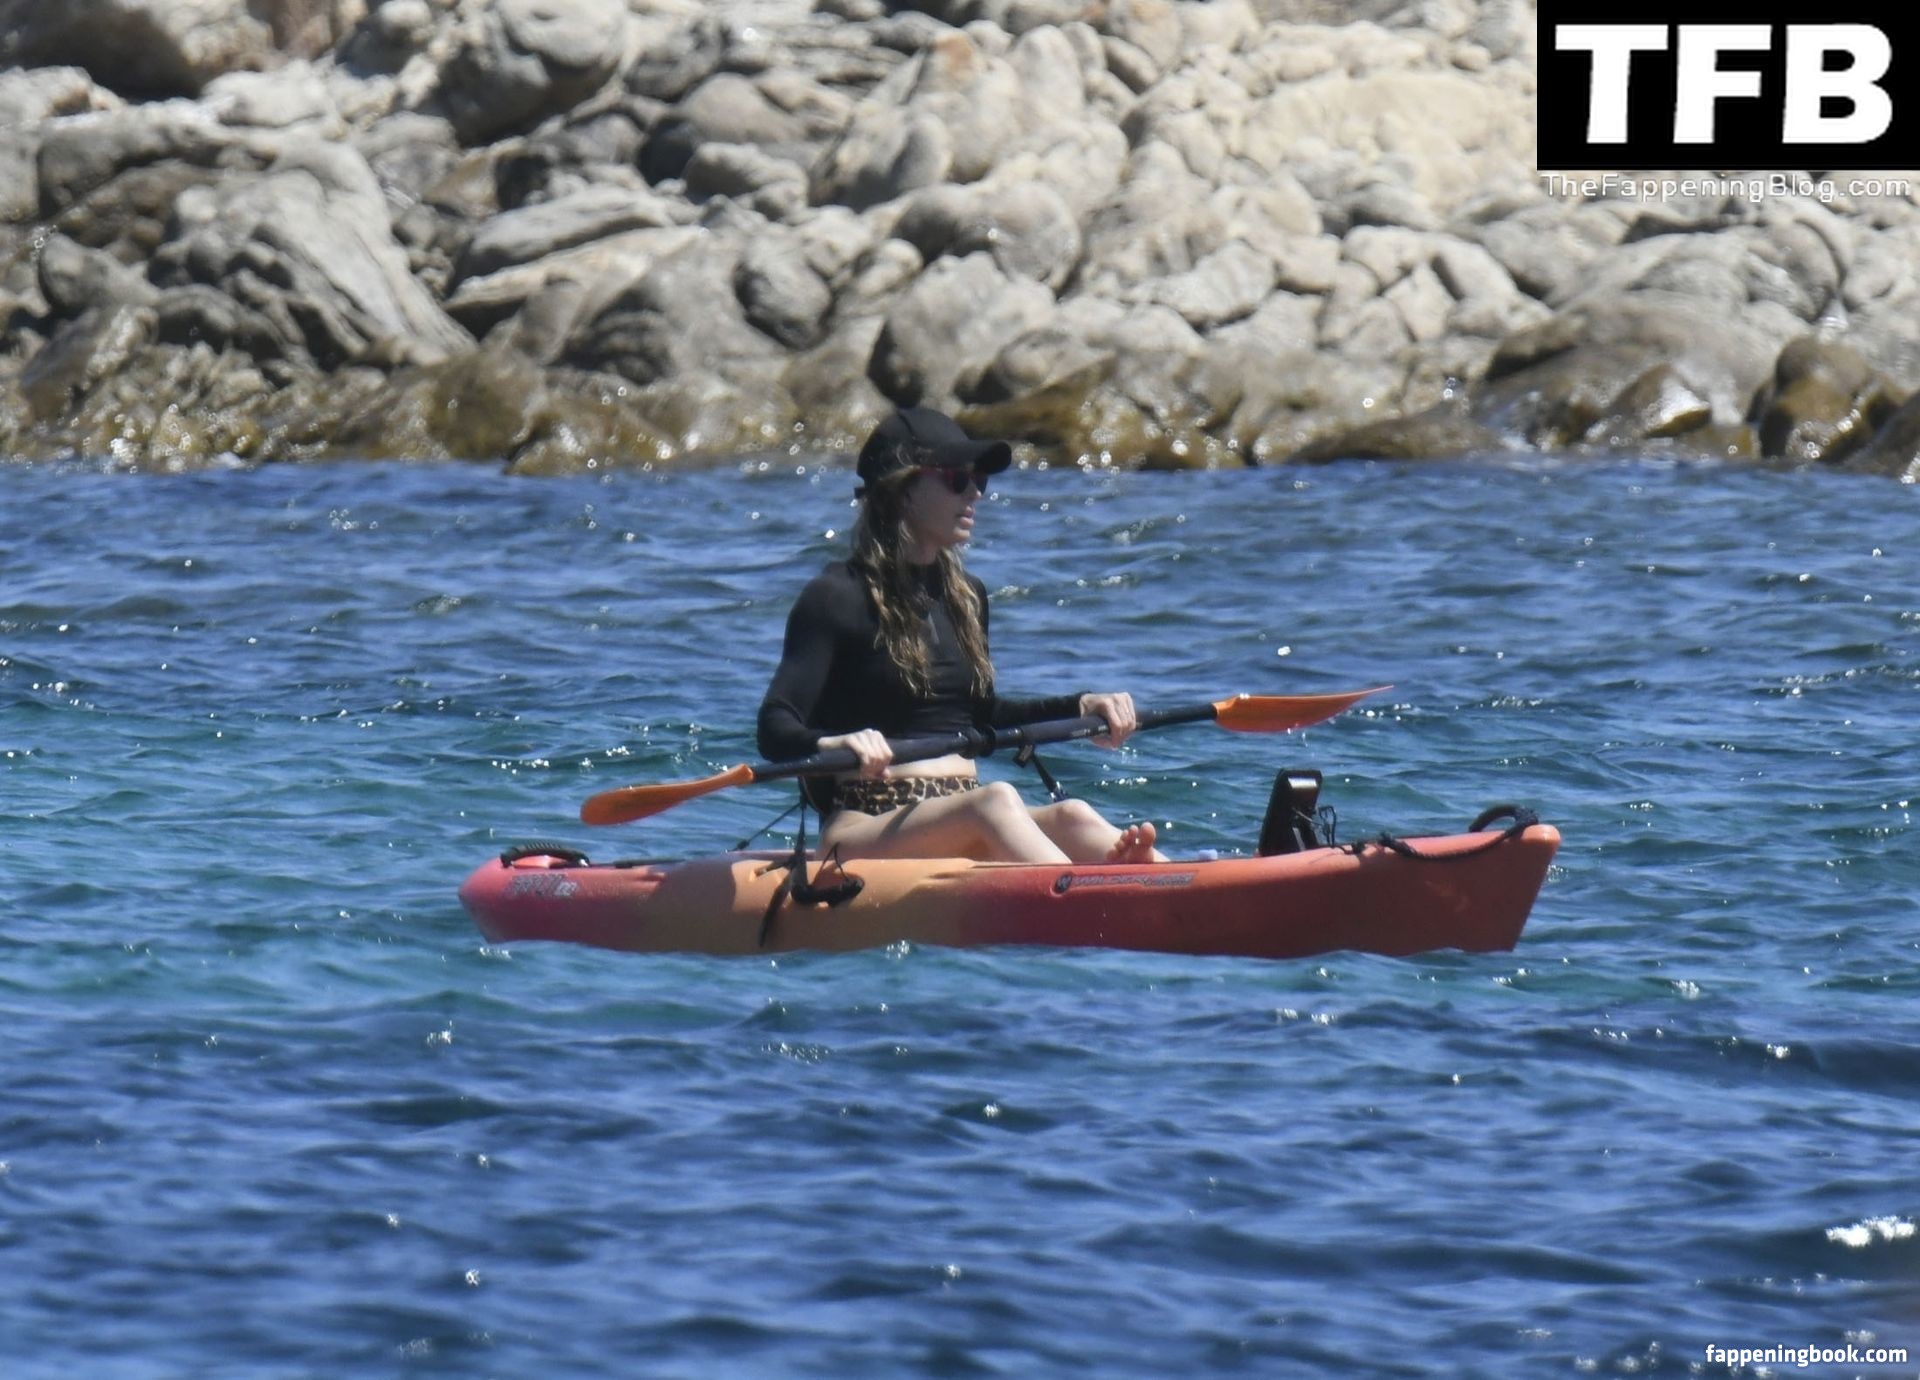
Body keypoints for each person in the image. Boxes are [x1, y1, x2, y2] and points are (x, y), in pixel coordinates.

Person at [757, 406, 1167, 865]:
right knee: (996, 801)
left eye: (979, 480)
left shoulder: (967, 596)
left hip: (962, 814)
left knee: (1073, 815)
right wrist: (831, 744)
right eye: (956, 479)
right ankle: (1095, 894)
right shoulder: (835, 597)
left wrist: (1081, 706)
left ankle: (1165, 888)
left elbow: (982, 716)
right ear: (902, 492)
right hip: (865, 827)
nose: (974, 493)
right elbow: (774, 726)